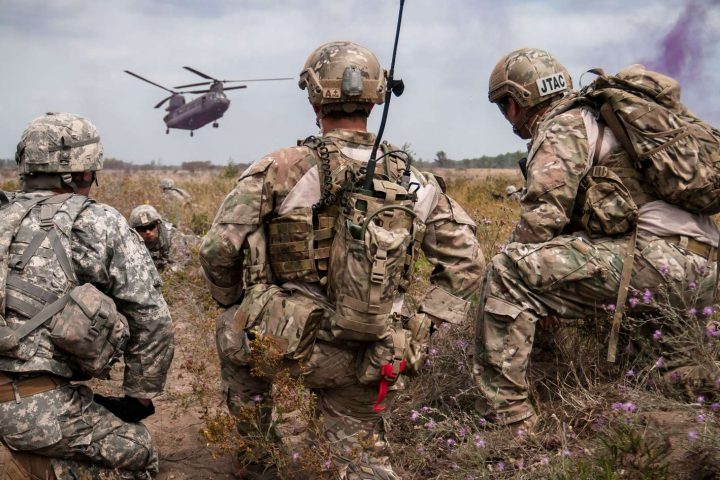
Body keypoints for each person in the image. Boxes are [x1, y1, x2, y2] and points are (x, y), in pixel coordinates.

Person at [200, 41, 484, 478]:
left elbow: (218, 249)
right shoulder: (415, 179)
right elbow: (468, 262)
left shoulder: (280, 168)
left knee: (229, 328)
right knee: (364, 460)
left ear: (315, 98)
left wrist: (233, 301)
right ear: (375, 99)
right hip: (376, 353)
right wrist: (422, 327)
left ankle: (257, 453)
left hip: (289, 346)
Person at [473, 48, 718, 430]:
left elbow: (539, 223)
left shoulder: (562, 125)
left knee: (509, 272)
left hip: (659, 261)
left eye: (505, 104)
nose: (508, 117)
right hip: (700, 268)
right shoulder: (599, 117)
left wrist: (530, 282)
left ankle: (510, 423)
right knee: (669, 376)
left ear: (519, 100)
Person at [0, 112, 174, 479]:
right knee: (141, 453)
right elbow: (151, 316)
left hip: (22, 402)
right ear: (80, 174)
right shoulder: (97, 221)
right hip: (29, 408)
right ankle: (29, 467)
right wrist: (139, 395)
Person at [129, 205, 190, 272]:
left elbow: (180, 264)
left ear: (157, 224)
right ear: (136, 230)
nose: (148, 232)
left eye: (151, 226)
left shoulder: (172, 235)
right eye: (142, 229)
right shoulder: (132, 242)